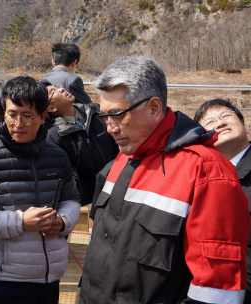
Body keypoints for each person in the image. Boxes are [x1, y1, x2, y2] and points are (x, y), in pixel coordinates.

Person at [79, 56, 250, 304]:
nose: (109, 127)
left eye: (117, 115)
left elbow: (216, 289)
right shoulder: (121, 159)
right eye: (104, 117)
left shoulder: (207, 171)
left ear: (154, 108)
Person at [0, 76, 81, 304]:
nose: (18, 123)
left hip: (49, 279)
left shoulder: (58, 156)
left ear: (43, 117)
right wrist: (21, 221)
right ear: (3, 114)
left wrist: (62, 222)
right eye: (12, 115)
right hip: (3, 282)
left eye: (27, 116)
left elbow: (71, 199)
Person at [194, 99, 251, 303]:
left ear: (243, 124)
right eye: (209, 122)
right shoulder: (197, 178)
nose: (218, 123)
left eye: (226, 116)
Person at [41, 79, 118, 206]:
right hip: (91, 193)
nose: (61, 89)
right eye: (53, 92)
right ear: (51, 108)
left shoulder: (96, 111)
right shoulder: (55, 136)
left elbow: (117, 140)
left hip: (118, 177)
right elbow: (70, 170)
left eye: (57, 86)